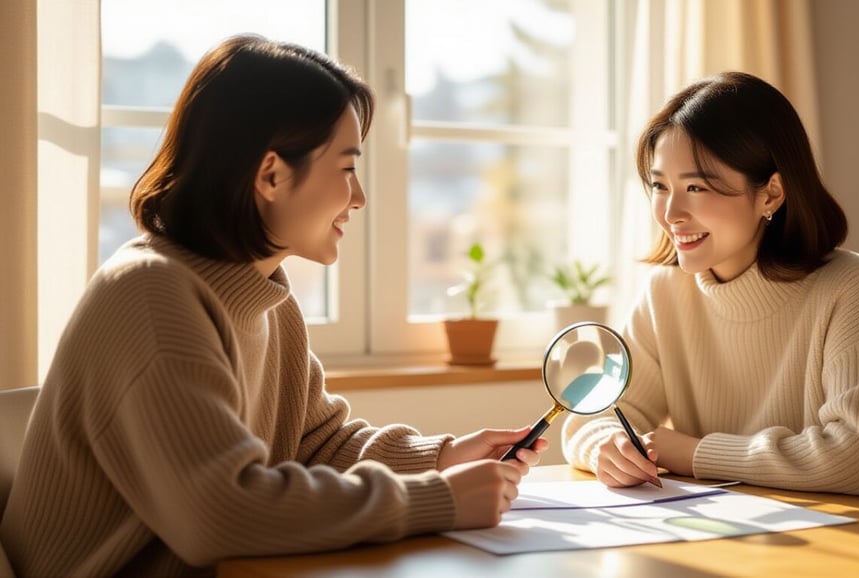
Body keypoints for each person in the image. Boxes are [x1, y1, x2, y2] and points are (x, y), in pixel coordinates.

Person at [0, 34, 544, 578]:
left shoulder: (263, 295)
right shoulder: (150, 293)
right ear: (271, 174)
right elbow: (218, 515)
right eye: (347, 167)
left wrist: (441, 457)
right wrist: (436, 499)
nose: (359, 198)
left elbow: (316, 444)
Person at [562, 71, 859, 498]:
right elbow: (592, 418)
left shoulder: (851, 287)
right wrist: (608, 447)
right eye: (661, 186)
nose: (671, 213)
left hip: (857, 543)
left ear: (771, 194)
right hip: (730, 538)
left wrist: (698, 454)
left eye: (696, 186)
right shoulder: (665, 292)